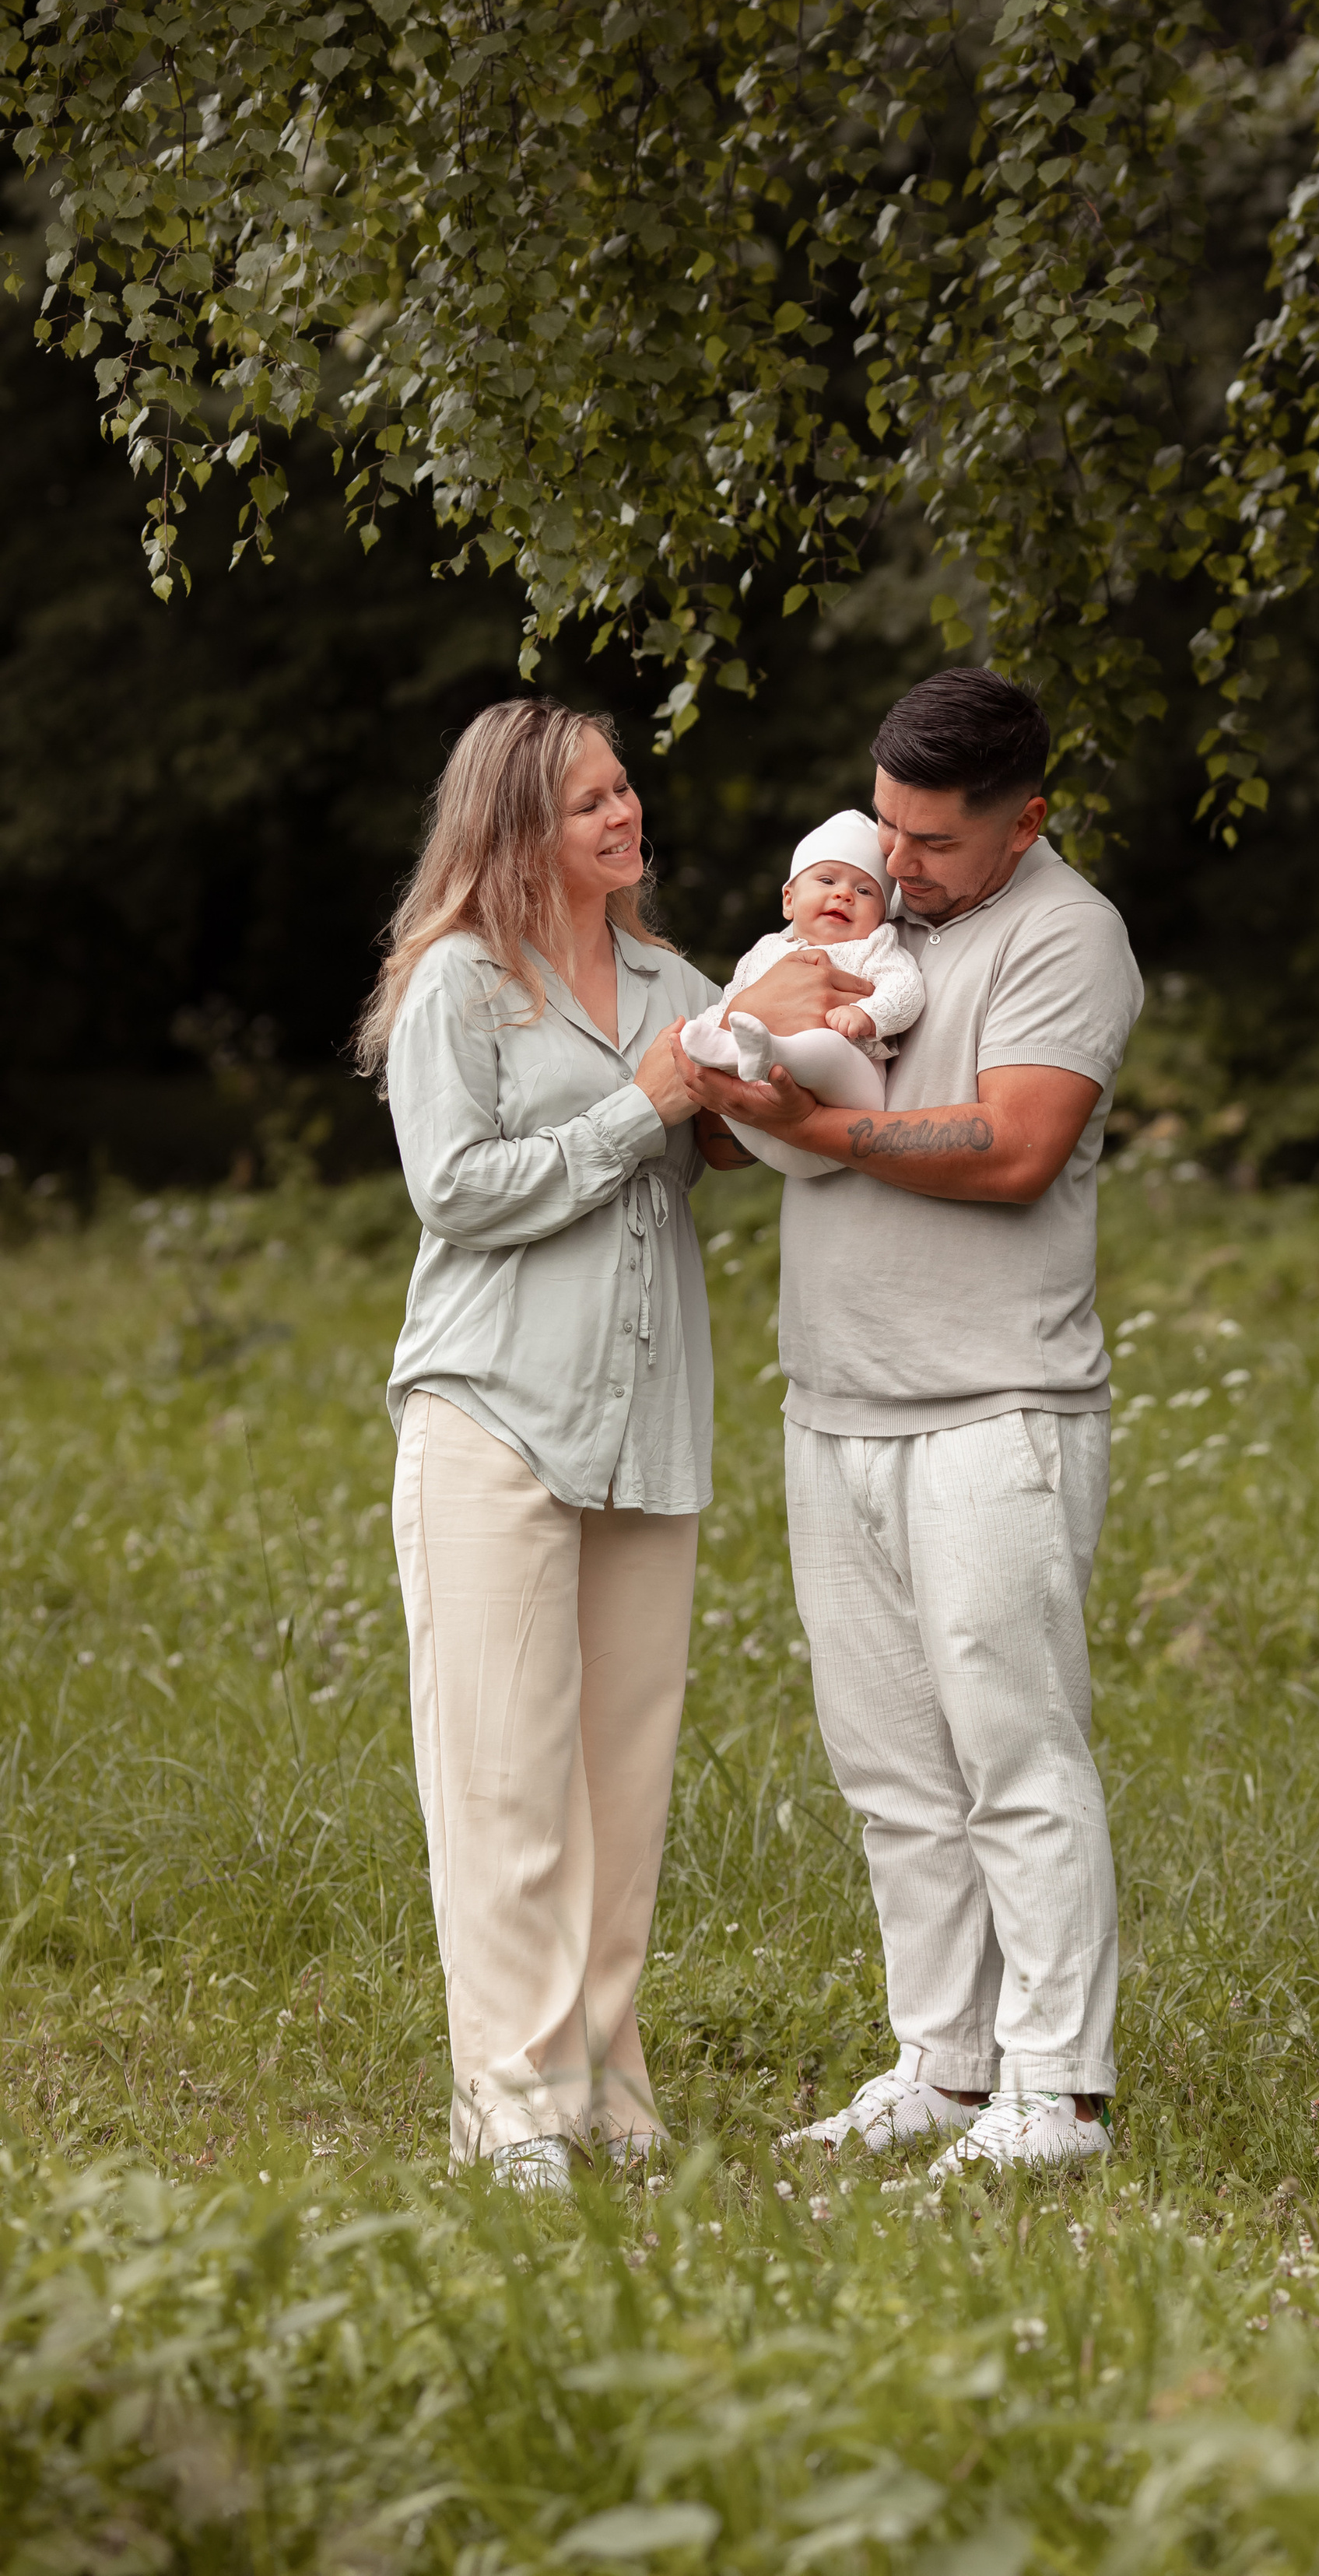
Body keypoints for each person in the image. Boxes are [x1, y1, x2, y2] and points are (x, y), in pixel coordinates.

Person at [672, 667, 1144, 2173]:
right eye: (885, 826)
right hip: (835, 1397)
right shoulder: (854, 918)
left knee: (1013, 1754)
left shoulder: (1067, 936)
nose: (899, 864)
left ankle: (1056, 2092)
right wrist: (742, 1070)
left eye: (934, 843)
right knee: (887, 1766)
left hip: (994, 1407)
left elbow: (1012, 1148)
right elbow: (742, 1143)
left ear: (1027, 820)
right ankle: (941, 2069)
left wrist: (821, 1124)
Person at [353, 698, 749, 2189]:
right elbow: (454, 1189)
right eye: (588, 802)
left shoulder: (670, 979)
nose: (624, 815)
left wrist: (750, 1098)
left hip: (649, 1423)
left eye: (626, 790)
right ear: (517, 827)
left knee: (619, 1780)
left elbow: (749, 1102)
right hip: (496, 1410)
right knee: (505, 1778)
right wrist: (641, 1114)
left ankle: (607, 2081)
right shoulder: (463, 984)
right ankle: (512, 2106)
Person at [680, 810, 926, 1177]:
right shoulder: (767, 950)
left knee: (825, 1046)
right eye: (827, 880)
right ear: (789, 900)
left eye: (864, 891)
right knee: (726, 1042)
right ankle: (725, 1046)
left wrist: (870, 1014)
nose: (843, 894)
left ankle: (770, 1051)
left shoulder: (875, 947)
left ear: (881, 917)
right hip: (772, 1131)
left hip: (848, 1105)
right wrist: (717, 1020)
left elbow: (906, 988)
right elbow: (735, 994)